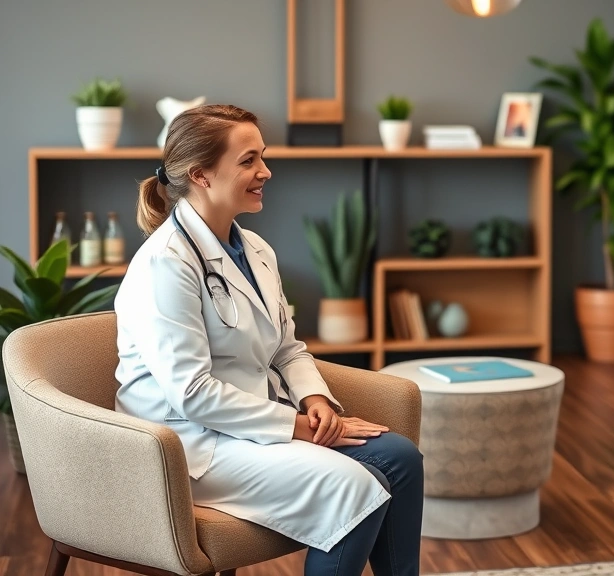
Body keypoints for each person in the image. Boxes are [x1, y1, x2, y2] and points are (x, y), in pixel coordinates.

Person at [113, 104, 423, 575]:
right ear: (201, 174)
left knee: (401, 458)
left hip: (253, 424)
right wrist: (296, 426)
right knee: (353, 486)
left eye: (263, 156)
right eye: (248, 160)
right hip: (188, 445)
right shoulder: (165, 264)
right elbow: (191, 394)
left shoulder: (255, 249)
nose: (265, 171)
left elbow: (285, 348)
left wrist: (316, 400)